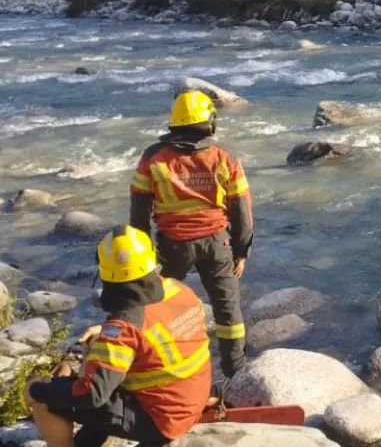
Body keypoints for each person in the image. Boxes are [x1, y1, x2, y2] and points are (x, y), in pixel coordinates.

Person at [26, 226, 211, 447]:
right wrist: (104, 332)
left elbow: (92, 394)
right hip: (193, 400)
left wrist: (39, 388)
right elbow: (154, 329)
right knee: (108, 374)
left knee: (42, 394)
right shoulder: (180, 290)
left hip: (161, 419)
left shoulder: (124, 325)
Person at [129, 90, 252, 378]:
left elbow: (138, 213)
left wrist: (143, 256)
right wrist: (241, 251)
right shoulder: (225, 156)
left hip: (172, 245)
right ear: (210, 121)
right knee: (228, 311)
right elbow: (242, 213)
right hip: (217, 243)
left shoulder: (153, 157)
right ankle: (236, 375)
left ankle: (154, 364)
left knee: (155, 303)